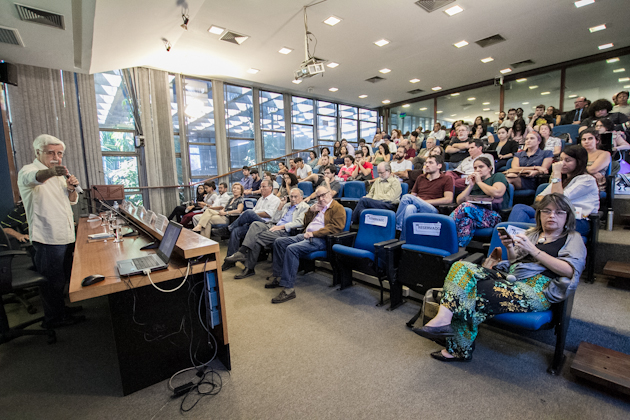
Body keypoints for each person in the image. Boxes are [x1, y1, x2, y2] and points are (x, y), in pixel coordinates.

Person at [413, 193, 586, 362]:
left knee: (470, 291)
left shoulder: (572, 238)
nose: (551, 216)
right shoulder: (533, 234)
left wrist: (535, 251)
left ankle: (458, 347)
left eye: (559, 212)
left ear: (568, 216)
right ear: (539, 214)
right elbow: (514, 261)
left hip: (538, 289)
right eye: (546, 211)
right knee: (461, 267)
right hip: (513, 278)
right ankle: (445, 322)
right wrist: (510, 247)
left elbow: (570, 271)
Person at [17, 134, 85, 328]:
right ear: (38, 152)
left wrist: (71, 188)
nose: (56, 157)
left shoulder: (58, 176)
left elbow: (71, 200)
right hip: (47, 236)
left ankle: (60, 309)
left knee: (61, 277)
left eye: (60, 153)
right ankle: (54, 319)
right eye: (51, 153)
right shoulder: (29, 171)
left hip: (64, 234)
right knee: (51, 281)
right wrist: (53, 172)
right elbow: (35, 178)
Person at [266, 186, 346, 304]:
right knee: (279, 242)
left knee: (291, 249)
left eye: (323, 195)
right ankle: (278, 276)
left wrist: (314, 233)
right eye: (318, 196)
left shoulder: (337, 208)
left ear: (330, 194)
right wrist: (310, 211)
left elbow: (336, 227)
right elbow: (306, 223)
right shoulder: (318, 207)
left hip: (320, 240)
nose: (321, 198)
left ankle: (289, 289)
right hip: (305, 235)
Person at [509, 145, 599, 236]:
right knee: (520, 208)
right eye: (561, 159)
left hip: (576, 221)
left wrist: (556, 173)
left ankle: (514, 244)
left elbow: (558, 200)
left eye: (567, 160)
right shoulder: (561, 181)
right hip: (552, 216)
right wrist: (551, 198)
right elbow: (538, 198)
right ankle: (514, 245)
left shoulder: (587, 180)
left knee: (525, 225)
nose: (562, 163)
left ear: (579, 162)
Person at [224, 188, 310, 279]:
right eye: (291, 196)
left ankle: (248, 266)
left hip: (285, 231)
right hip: (273, 225)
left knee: (255, 238)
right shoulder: (287, 205)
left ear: (301, 197)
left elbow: (299, 222)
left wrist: (281, 227)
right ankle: (243, 256)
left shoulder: (304, 207)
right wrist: (280, 206)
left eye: (295, 197)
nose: (292, 199)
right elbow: (275, 219)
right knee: (255, 224)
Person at [222, 180, 281, 271]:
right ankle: (230, 260)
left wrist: (254, 214)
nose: (261, 189)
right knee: (236, 231)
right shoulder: (260, 199)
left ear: (270, 188)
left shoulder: (275, 199)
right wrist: (253, 213)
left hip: (265, 224)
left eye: (263, 187)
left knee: (248, 212)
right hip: (253, 223)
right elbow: (254, 210)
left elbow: (268, 214)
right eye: (260, 187)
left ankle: (228, 229)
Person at [450, 157, 509, 247]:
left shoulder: (497, 176)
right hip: (473, 215)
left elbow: (498, 192)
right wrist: (470, 185)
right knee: (466, 221)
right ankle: (458, 249)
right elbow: (459, 200)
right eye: (475, 168)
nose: (477, 170)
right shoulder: (475, 183)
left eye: (481, 167)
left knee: (466, 206)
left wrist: (479, 182)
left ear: (490, 168)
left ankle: (446, 229)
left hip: (494, 216)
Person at [395, 155, 454, 240]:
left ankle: (397, 228)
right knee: (409, 208)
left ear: (439, 166)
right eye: (426, 162)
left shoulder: (446, 178)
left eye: (430, 162)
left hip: (433, 209)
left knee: (406, 197)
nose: (427, 165)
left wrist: (424, 202)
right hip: (417, 205)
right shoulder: (420, 177)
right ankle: (405, 241)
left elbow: (448, 199)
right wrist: (417, 201)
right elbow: (413, 195)